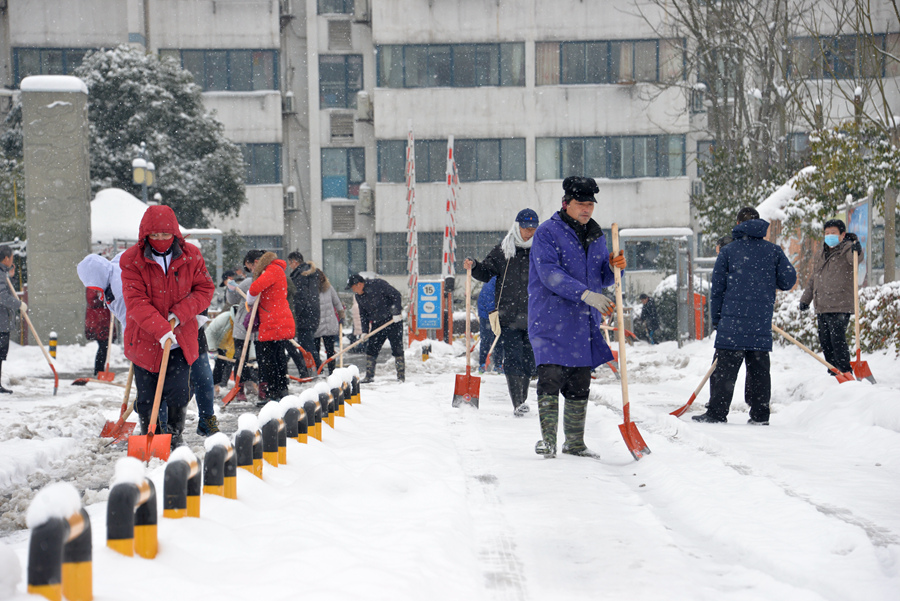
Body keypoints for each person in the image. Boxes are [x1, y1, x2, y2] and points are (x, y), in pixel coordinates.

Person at [528, 177, 622, 458]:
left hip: (583, 322)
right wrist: (584, 294)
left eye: (591, 204)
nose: (587, 209)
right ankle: (548, 440)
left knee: (580, 382)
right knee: (551, 377)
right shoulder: (546, 233)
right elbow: (550, 274)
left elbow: (602, 276)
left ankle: (575, 442)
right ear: (566, 203)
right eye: (581, 204)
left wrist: (616, 267)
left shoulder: (596, 234)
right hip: (550, 319)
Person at [120, 205, 215, 448]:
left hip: (181, 337)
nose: (161, 240)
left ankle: (174, 437)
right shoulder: (132, 260)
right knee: (148, 397)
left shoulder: (191, 255)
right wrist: (161, 329)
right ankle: (149, 438)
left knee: (179, 391)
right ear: (145, 236)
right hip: (144, 338)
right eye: (155, 236)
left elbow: (204, 290)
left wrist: (179, 314)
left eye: (166, 235)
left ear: (175, 233)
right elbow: (136, 301)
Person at [693, 207, 797, 425]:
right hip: (760, 322)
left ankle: (716, 412)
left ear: (738, 224)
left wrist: (717, 320)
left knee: (724, 372)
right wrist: (768, 278)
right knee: (759, 370)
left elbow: (717, 290)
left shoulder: (729, 251)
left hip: (732, 322)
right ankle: (760, 415)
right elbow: (788, 281)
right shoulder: (773, 251)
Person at [464, 208, 539, 416]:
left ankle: (522, 397)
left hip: (535, 316)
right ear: (517, 227)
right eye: (525, 228)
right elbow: (486, 272)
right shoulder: (504, 251)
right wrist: (475, 265)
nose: (529, 232)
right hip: (510, 316)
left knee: (530, 361)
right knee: (514, 357)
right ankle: (519, 403)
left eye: (533, 228)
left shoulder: (542, 250)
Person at [798, 219, 862, 376]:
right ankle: (833, 372)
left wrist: (858, 251)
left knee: (837, 340)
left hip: (840, 304)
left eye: (833, 233)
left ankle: (845, 371)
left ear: (842, 235)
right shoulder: (821, 253)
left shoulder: (847, 249)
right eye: (826, 233)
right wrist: (805, 299)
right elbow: (814, 277)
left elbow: (855, 260)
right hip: (822, 305)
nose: (829, 236)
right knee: (825, 342)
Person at [247, 251, 296, 404]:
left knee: (269, 359)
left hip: (272, 320)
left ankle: (273, 393)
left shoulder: (272, 270)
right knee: (279, 355)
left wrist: (249, 299)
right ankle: (281, 389)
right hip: (278, 318)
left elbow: (255, 288)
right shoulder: (278, 270)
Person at [347, 273, 404, 382]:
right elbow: (363, 314)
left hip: (393, 321)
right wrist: (364, 331)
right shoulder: (359, 296)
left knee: (397, 349)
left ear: (359, 284)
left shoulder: (378, 284)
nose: (353, 291)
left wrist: (396, 312)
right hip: (378, 324)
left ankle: (401, 376)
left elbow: (396, 295)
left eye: (353, 288)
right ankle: (369, 376)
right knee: (371, 349)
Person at [225, 250, 262, 399]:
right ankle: (252, 388)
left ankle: (244, 388)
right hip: (250, 324)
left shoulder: (252, 281)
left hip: (253, 324)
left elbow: (231, 301)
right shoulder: (251, 281)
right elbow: (232, 300)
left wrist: (231, 289)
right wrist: (231, 289)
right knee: (249, 358)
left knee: (244, 358)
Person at [287, 251, 320, 368]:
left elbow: (301, 297)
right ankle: (311, 369)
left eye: (290, 263)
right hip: (312, 313)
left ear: (295, 262)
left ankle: (316, 369)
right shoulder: (308, 273)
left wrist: (295, 313)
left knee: (307, 345)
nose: (290, 266)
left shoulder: (301, 275)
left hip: (305, 314)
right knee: (306, 344)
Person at [0, 245, 25, 393]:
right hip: (0, 321)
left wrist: (11, 276)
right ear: (7, 258)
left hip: (2, 321)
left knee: (1, 354)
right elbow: (2, 296)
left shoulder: (3, 272)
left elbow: (8, 291)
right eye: (12, 257)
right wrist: (19, 304)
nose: (12, 260)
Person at [313, 269, 345, 375]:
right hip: (316, 324)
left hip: (329, 324)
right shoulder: (310, 290)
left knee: (330, 350)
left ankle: (332, 371)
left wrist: (342, 316)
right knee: (315, 351)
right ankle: (319, 371)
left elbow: (337, 302)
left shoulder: (329, 288)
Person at [84, 272, 112, 376]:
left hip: (103, 320)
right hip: (97, 322)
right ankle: (99, 371)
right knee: (103, 346)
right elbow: (92, 301)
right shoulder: (93, 285)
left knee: (104, 347)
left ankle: (100, 370)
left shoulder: (102, 284)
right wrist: (104, 297)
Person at [475, 276, 503, 374]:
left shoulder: (503, 280)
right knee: (486, 338)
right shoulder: (493, 281)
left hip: (497, 313)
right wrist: (493, 313)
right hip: (487, 313)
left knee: (499, 339)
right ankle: (482, 364)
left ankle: (498, 364)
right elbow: (489, 298)